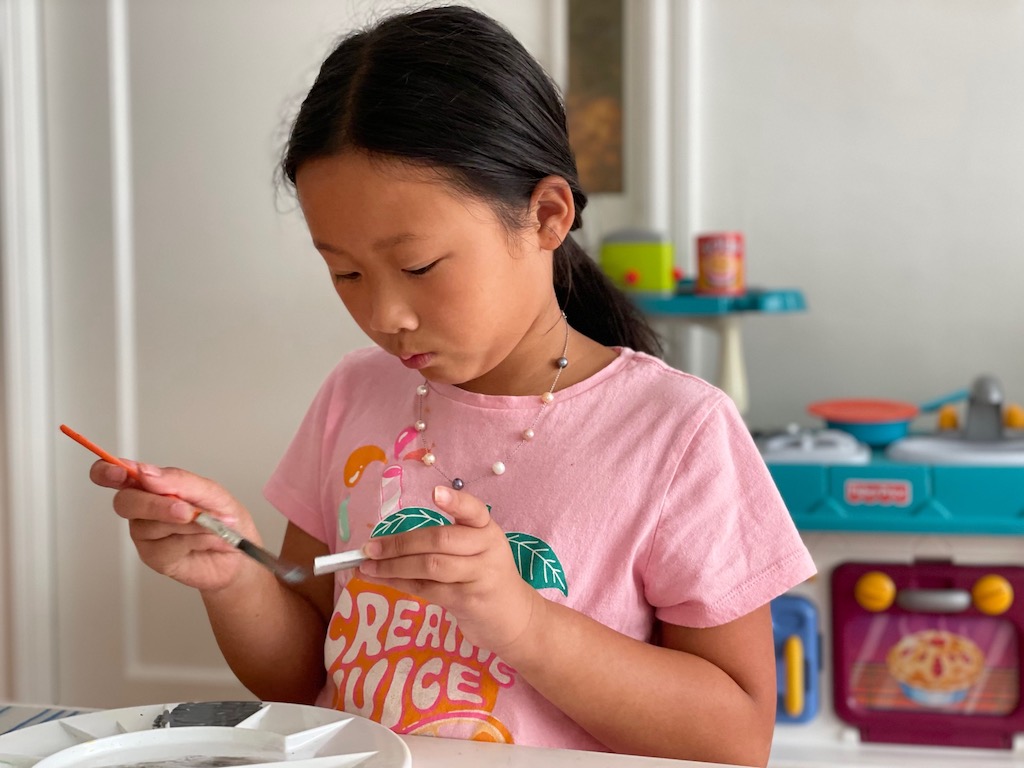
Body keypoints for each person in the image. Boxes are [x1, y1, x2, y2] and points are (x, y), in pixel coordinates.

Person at [88, 5, 814, 765]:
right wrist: (234, 576)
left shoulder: (677, 431)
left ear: (545, 214)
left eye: (420, 267)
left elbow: (737, 739)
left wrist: (522, 623)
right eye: (346, 272)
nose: (383, 314)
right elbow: (304, 673)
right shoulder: (354, 395)